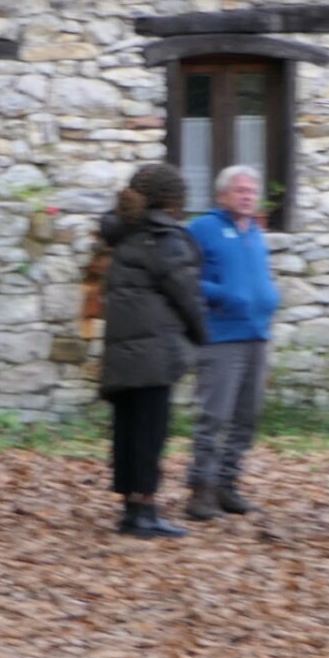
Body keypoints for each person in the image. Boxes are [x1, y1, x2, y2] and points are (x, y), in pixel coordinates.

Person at [97, 162, 209, 538]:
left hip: (124, 347)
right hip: (154, 350)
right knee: (150, 432)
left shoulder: (126, 232)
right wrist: (203, 333)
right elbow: (187, 295)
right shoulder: (164, 237)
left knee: (128, 430)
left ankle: (131, 508)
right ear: (173, 200)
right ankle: (145, 513)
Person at [185, 164, 279, 521]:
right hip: (221, 338)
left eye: (252, 191)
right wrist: (221, 294)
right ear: (222, 195)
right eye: (240, 190)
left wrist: (269, 295)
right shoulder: (202, 229)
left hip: (256, 335)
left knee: (246, 417)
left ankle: (227, 485)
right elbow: (185, 276)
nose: (247, 196)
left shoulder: (254, 230)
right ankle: (201, 491)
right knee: (214, 416)